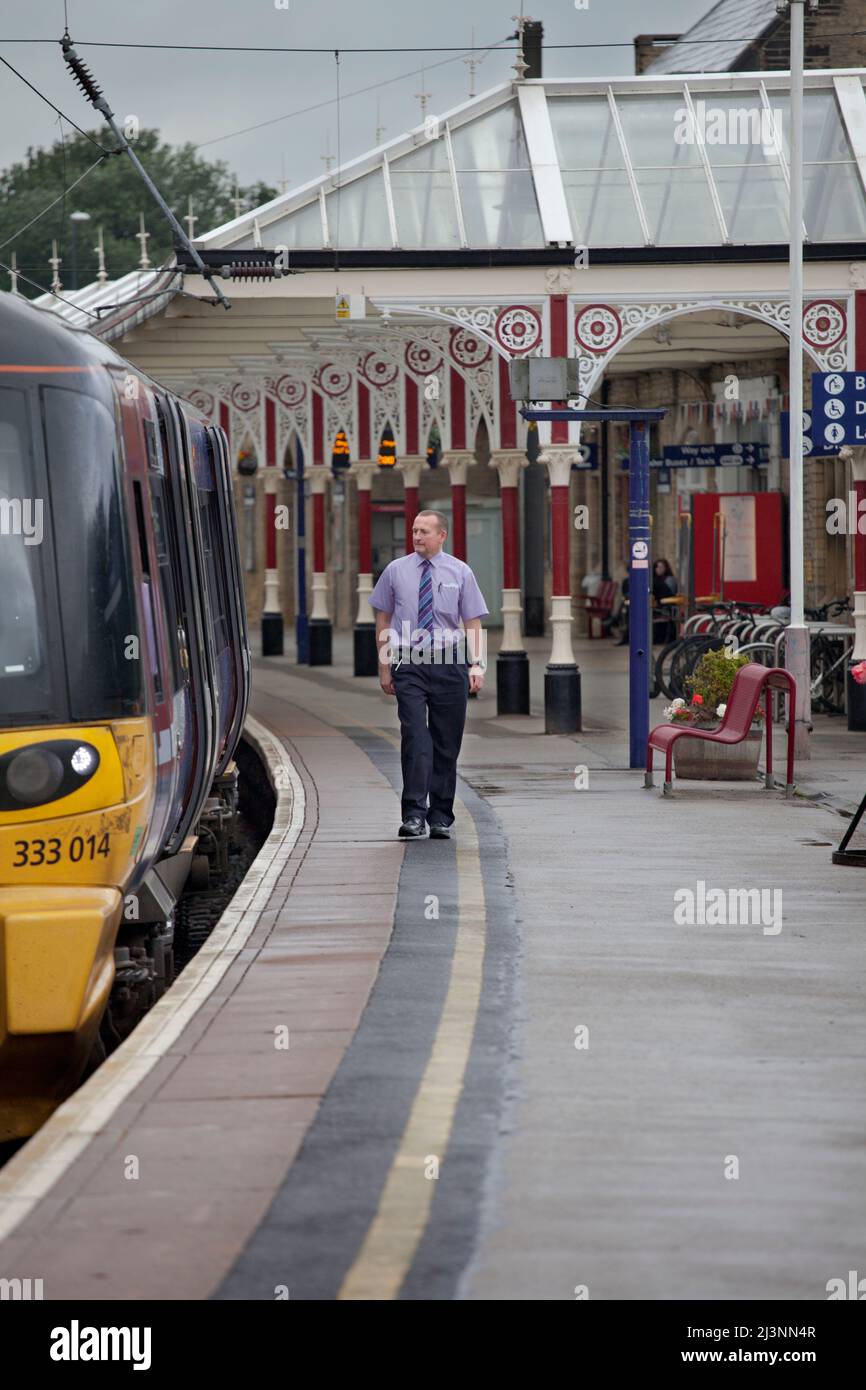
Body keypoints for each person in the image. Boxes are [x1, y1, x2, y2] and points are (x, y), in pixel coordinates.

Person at [370, 511, 488, 840]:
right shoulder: (395, 571)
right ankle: (413, 815)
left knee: (446, 744)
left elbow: (473, 622)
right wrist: (384, 666)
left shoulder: (460, 572)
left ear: (441, 535)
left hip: (450, 664)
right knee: (415, 738)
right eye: (414, 531)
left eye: (424, 531)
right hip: (409, 663)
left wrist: (476, 664)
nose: (417, 537)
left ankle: (440, 817)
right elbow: (383, 620)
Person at [652, 558, 678, 644]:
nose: (658, 569)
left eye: (661, 567)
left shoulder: (668, 580)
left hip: (665, 607)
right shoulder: (654, 580)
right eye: (657, 567)